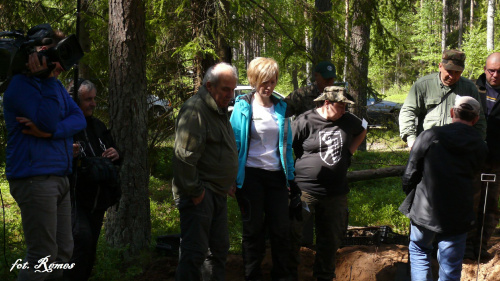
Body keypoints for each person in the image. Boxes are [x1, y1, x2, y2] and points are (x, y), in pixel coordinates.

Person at [3, 29, 86, 280]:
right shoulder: (20, 86)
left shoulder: (56, 87)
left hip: (59, 176)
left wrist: (50, 135)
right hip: (35, 177)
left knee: (63, 253)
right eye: (56, 57)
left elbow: (78, 119)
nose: (61, 66)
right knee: (42, 256)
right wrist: (48, 81)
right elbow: (49, 120)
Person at [399, 96, 487, 281]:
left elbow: (411, 171)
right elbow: (476, 174)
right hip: (458, 214)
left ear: (452, 112)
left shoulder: (431, 135)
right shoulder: (480, 145)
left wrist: (411, 195)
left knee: (420, 250)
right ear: (476, 119)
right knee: (450, 266)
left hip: (425, 210)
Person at [289, 86, 367, 281]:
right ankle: (289, 274)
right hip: (305, 190)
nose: (343, 110)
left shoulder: (349, 121)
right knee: (292, 233)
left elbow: (363, 129)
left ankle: (324, 276)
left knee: (330, 240)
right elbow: (288, 144)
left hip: (335, 192)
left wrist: (349, 152)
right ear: (326, 103)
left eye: (345, 106)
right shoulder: (305, 120)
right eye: (340, 106)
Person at [230, 57, 296, 281]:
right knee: (253, 230)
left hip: (277, 176)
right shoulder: (242, 106)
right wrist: (232, 178)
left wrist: (291, 178)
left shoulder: (281, 107)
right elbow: (234, 144)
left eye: (273, 81)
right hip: (250, 177)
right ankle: (252, 276)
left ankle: (282, 276)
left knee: (281, 230)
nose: (268, 87)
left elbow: (286, 145)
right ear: (253, 80)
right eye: (264, 82)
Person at [172, 62, 239, 281]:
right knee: (195, 254)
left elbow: (219, 150)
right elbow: (184, 158)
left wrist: (227, 180)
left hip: (216, 192)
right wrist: (196, 192)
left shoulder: (217, 109)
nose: (230, 95)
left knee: (218, 251)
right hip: (200, 194)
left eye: (232, 89)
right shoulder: (195, 110)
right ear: (210, 86)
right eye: (225, 89)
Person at [63, 79, 121, 281]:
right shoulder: (67, 127)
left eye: (94, 98)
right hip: (74, 199)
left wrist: (116, 153)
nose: (93, 103)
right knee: (81, 242)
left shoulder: (98, 126)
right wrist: (69, 155)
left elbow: (115, 154)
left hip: (98, 202)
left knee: (90, 251)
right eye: (88, 99)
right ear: (74, 101)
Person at [399, 49, 486, 148]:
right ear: (440, 66)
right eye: (449, 71)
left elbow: (479, 119)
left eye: (457, 72)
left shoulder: (469, 88)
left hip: (459, 148)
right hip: (428, 146)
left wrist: (478, 143)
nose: (452, 76)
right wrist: (411, 140)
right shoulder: (423, 85)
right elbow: (408, 111)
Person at [464, 52, 500, 260]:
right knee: (469, 204)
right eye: (491, 70)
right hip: (471, 161)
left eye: (499, 71)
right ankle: (466, 247)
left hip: (496, 162)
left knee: (490, 207)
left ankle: (480, 248)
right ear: (485, 69)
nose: (495, 75)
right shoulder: (471, 89)